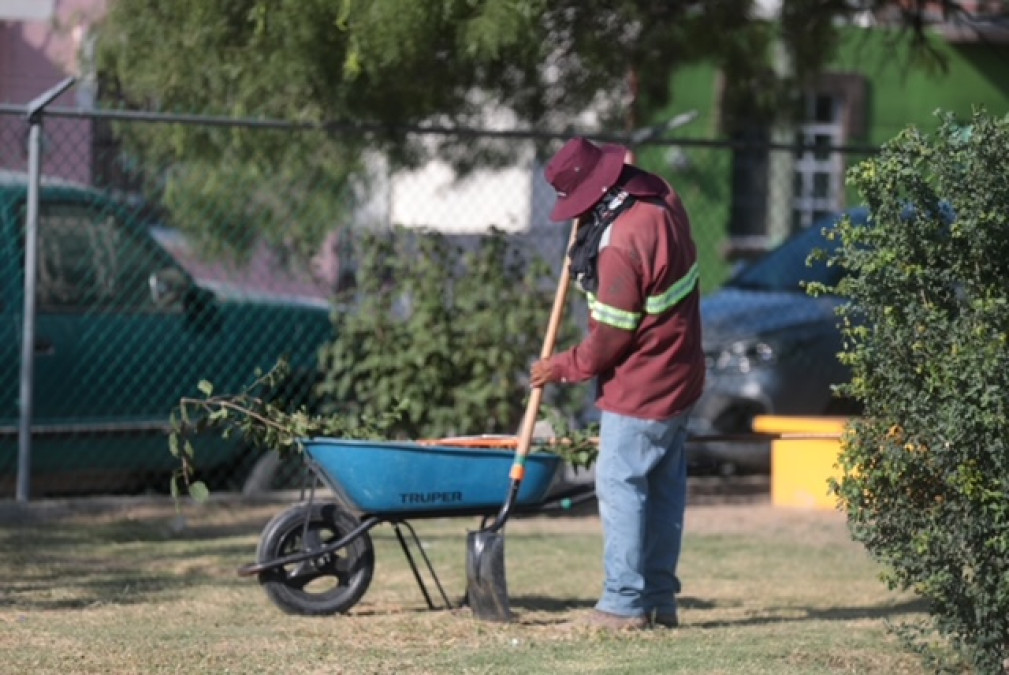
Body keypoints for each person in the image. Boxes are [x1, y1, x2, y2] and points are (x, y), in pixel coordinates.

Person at [531, 136, 705, 630]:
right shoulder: (660, 195)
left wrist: (560, 366)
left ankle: (623, 604)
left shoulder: (621, 244)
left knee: (619, 481)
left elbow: (609, 340)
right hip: (682, 372)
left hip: (643, 385)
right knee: (663, 486)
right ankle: (659, 601)